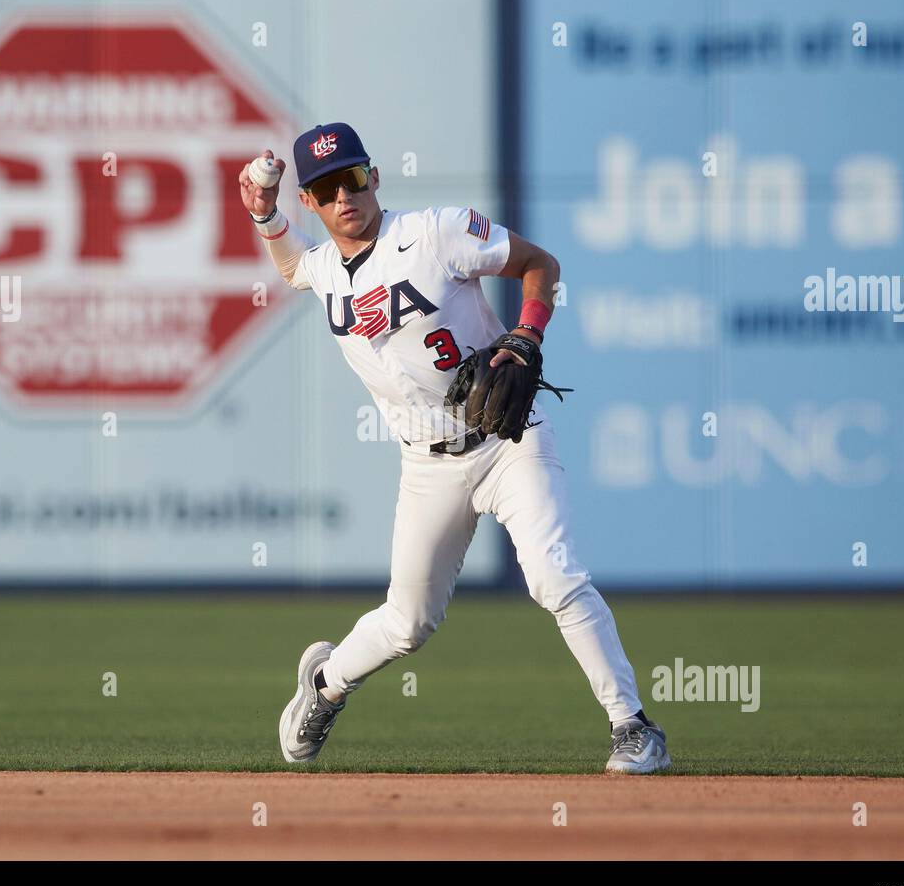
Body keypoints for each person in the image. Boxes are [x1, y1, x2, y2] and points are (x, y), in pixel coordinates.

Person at [238, 122, 669, 774]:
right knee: (407, 623)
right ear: (312, 203)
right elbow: (296, 265)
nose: (343, 197)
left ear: (374, 176)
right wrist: (266, 217)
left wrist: (527, 335)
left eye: (352, 178)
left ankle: (633, 727)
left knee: (554, 574)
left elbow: (538, 264)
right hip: (426, 463)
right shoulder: (324, 269)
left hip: (508, 439)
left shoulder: (437, 232)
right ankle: (324, 686)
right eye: (325, 189)